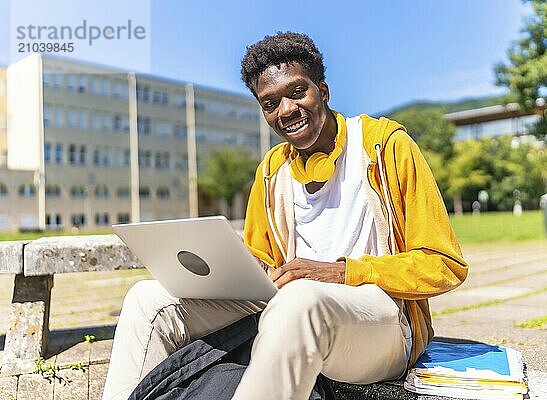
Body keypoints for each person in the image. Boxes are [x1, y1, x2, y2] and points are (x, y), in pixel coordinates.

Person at [102, 32, 468, 400]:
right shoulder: (271, 170)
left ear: (322, 90)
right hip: (285, 306)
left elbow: (444, 264)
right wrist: (247, 270)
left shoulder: (385, 146)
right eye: (270, 103)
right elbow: (261, 258)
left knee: (301, 300)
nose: (286, 110)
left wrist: (343, 272)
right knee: (147, 299)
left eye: (297, 92)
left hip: (382, 320)